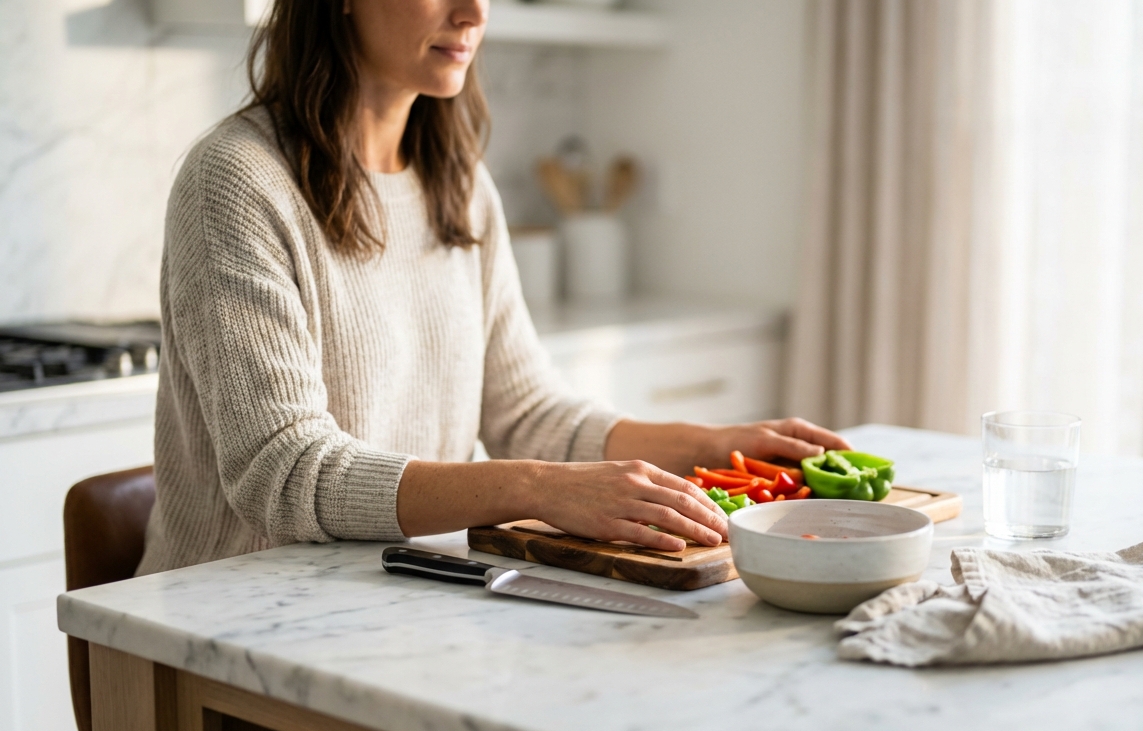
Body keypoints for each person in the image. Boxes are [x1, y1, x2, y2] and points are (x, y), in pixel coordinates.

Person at [136, 0, 850, 576]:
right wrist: (539, 489)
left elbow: (526, 409)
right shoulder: (235, 181)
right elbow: (284, 474)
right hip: (230, 626)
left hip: (392, 595)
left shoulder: (457, 181)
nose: (474, 11)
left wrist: (715, 444)